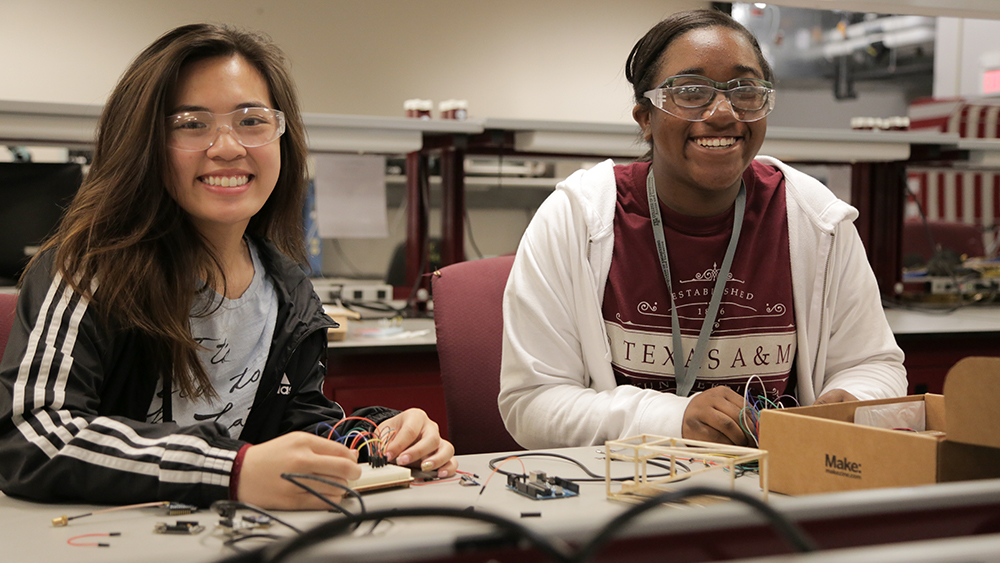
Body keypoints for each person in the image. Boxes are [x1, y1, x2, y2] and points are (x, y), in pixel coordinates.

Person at [0, 23, 455, 510]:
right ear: (144, 143)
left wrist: (381, 436)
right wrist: (230, 471)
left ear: (281, 135)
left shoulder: (288, 290)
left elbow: (299, 428)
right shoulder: (89, 270)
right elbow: (36, 440)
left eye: (251, 121)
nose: (228, 147)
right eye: (191, 124)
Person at [498, 9, 907, 450]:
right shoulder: (577, 218)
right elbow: (533, 403)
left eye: (745, 90)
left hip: (777, 485)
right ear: (645, 117)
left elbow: (876, 365)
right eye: (691, 92)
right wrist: (673, 418)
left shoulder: (815, 219)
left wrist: (853, 400)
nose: (722, 113)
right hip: (624, 490)